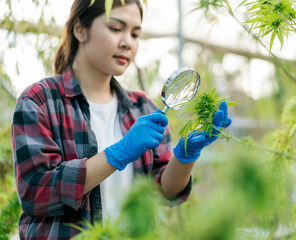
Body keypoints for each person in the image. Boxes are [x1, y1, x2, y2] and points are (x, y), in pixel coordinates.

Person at [11, 0, 232, 239]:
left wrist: (185, 157)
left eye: (135, 34)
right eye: (116, 28)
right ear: (80, 29)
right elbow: (35, 192)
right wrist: (119, 152)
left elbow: (164, 192)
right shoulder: (39, 101)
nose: (127, 42)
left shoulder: (142, 107)